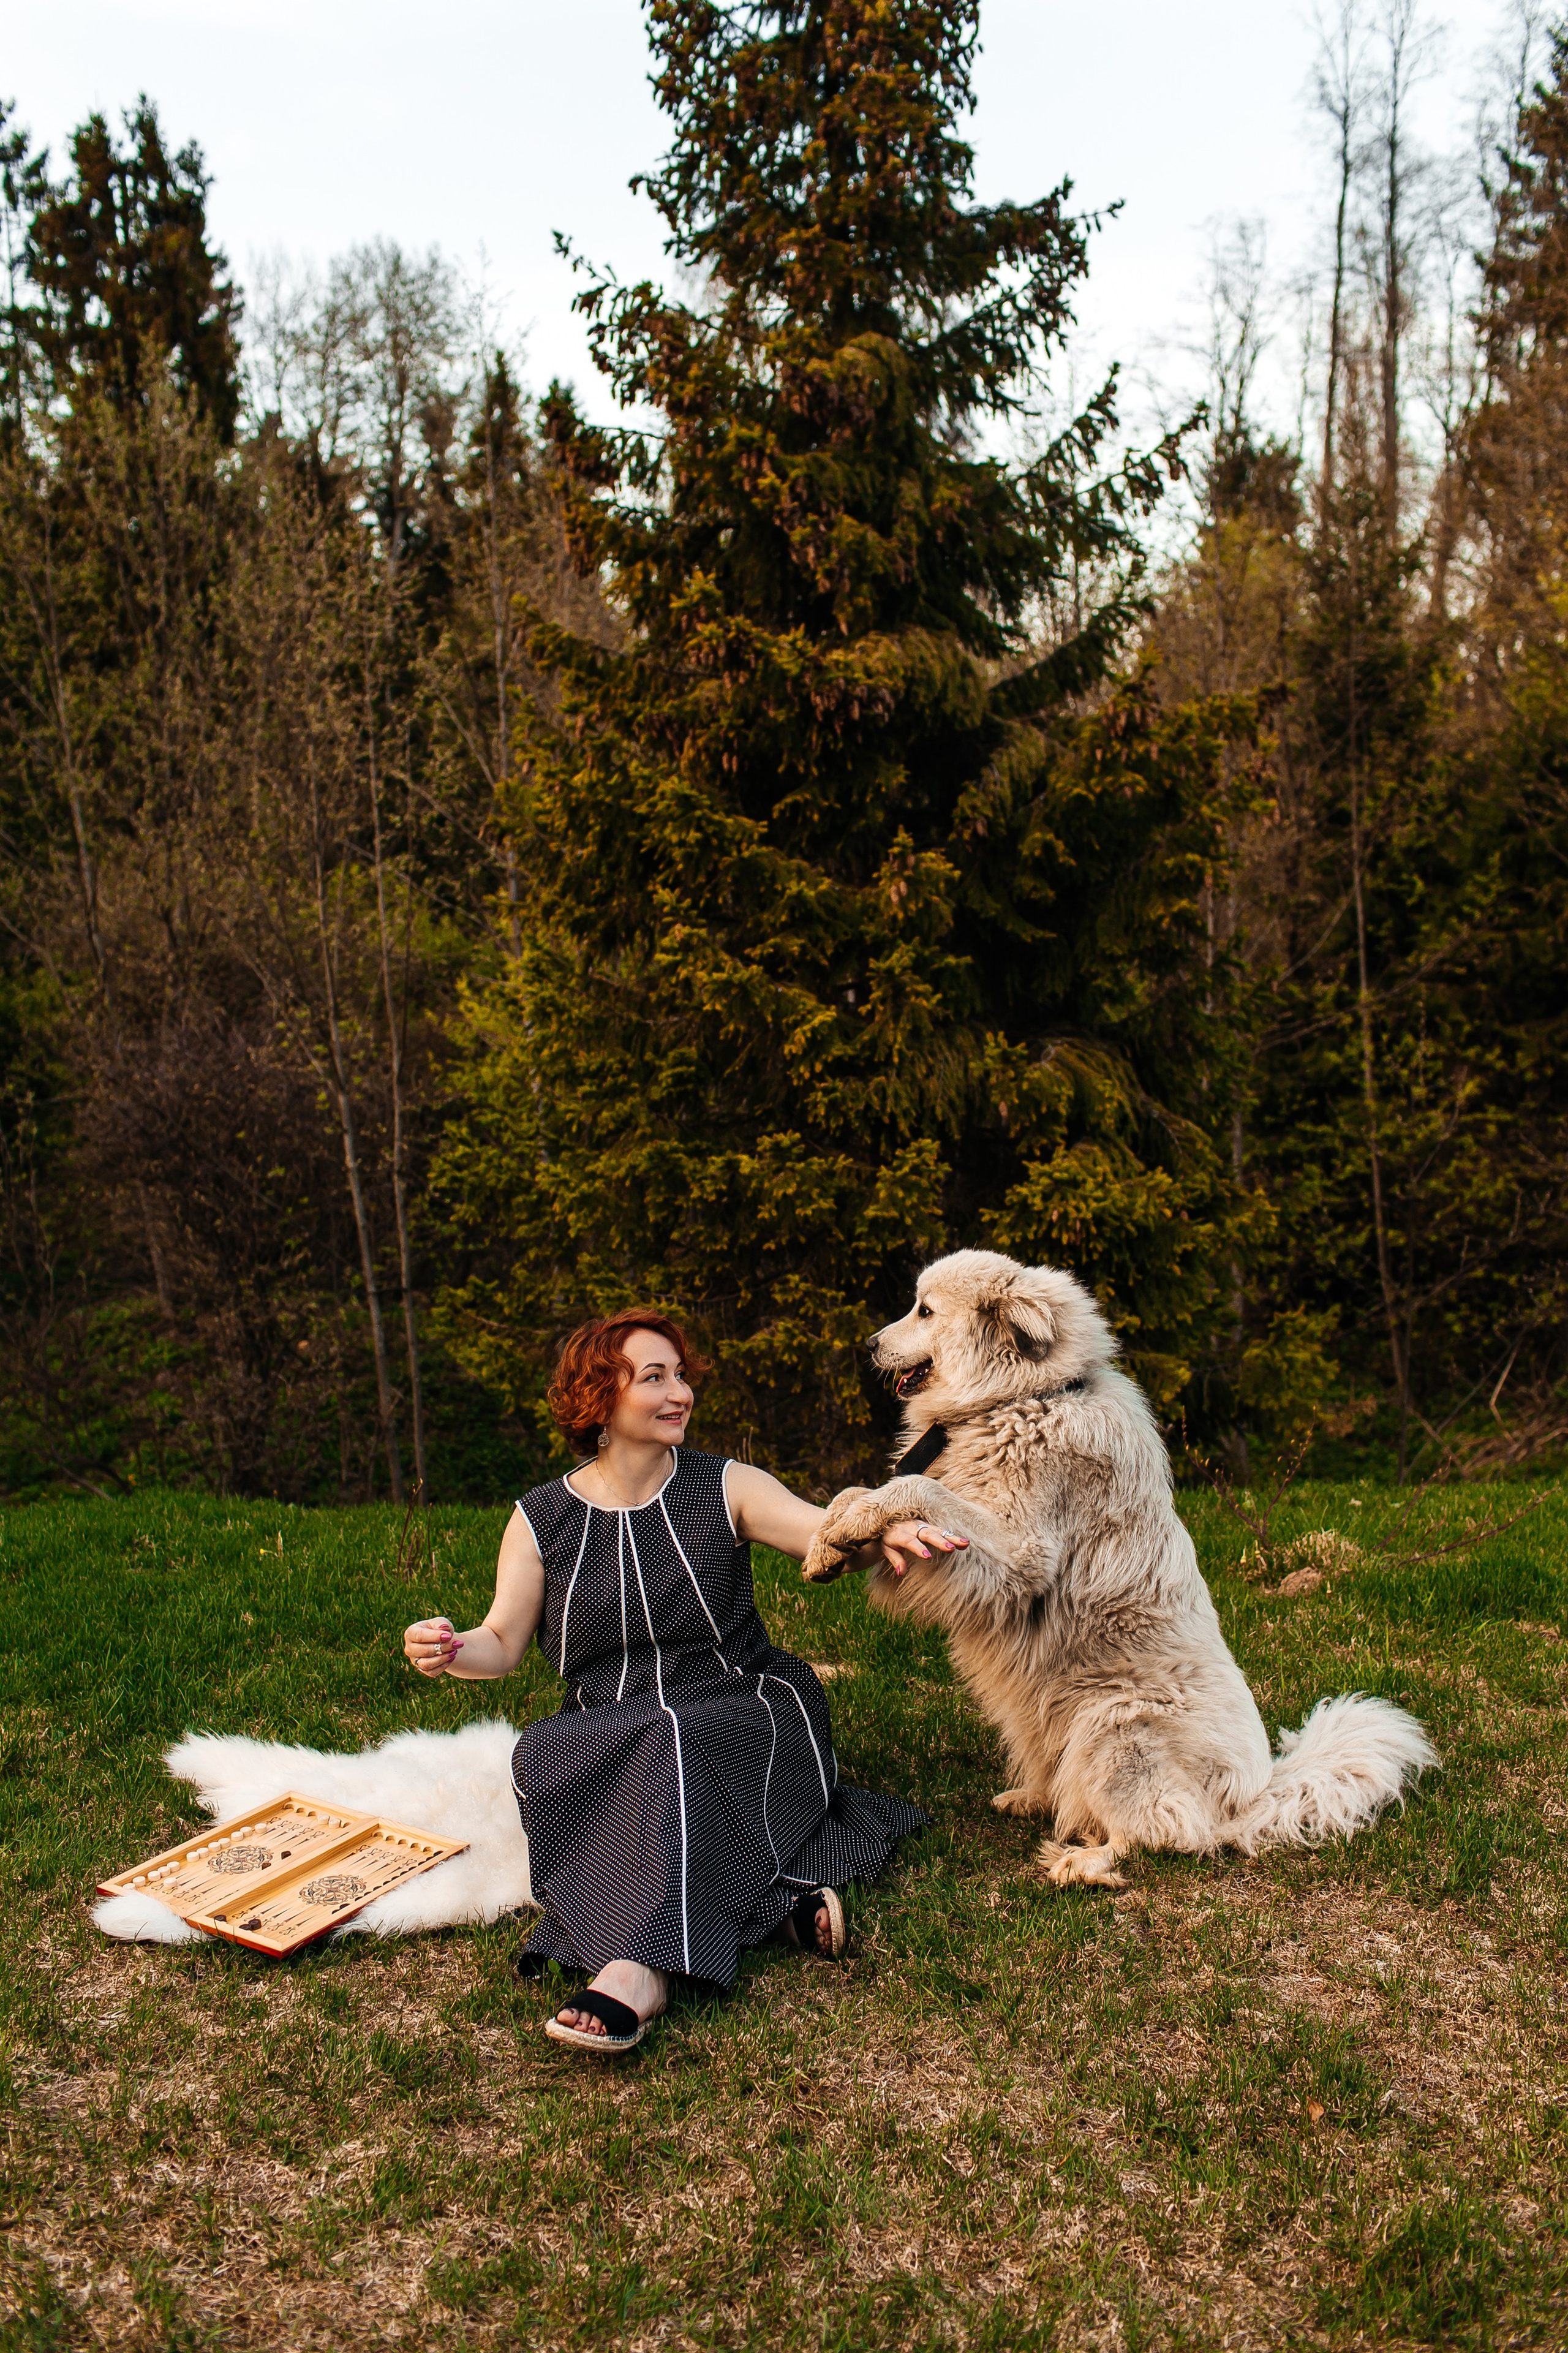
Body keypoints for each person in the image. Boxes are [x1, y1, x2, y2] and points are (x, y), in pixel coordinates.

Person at [404, 1308, 967, 2056]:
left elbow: (820, 1532)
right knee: (570, 1751)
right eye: (653, 1377)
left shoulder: (725, 1484)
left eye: (680, 1375)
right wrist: (448, 1647)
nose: (680, 1393)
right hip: (609, 1726)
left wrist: (883, 1524)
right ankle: (776, 1908)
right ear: (599, 1399)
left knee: (674, 1738)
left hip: (746, 1706)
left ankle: (639, 1971)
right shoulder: (540, 1518)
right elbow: (502, 1642)